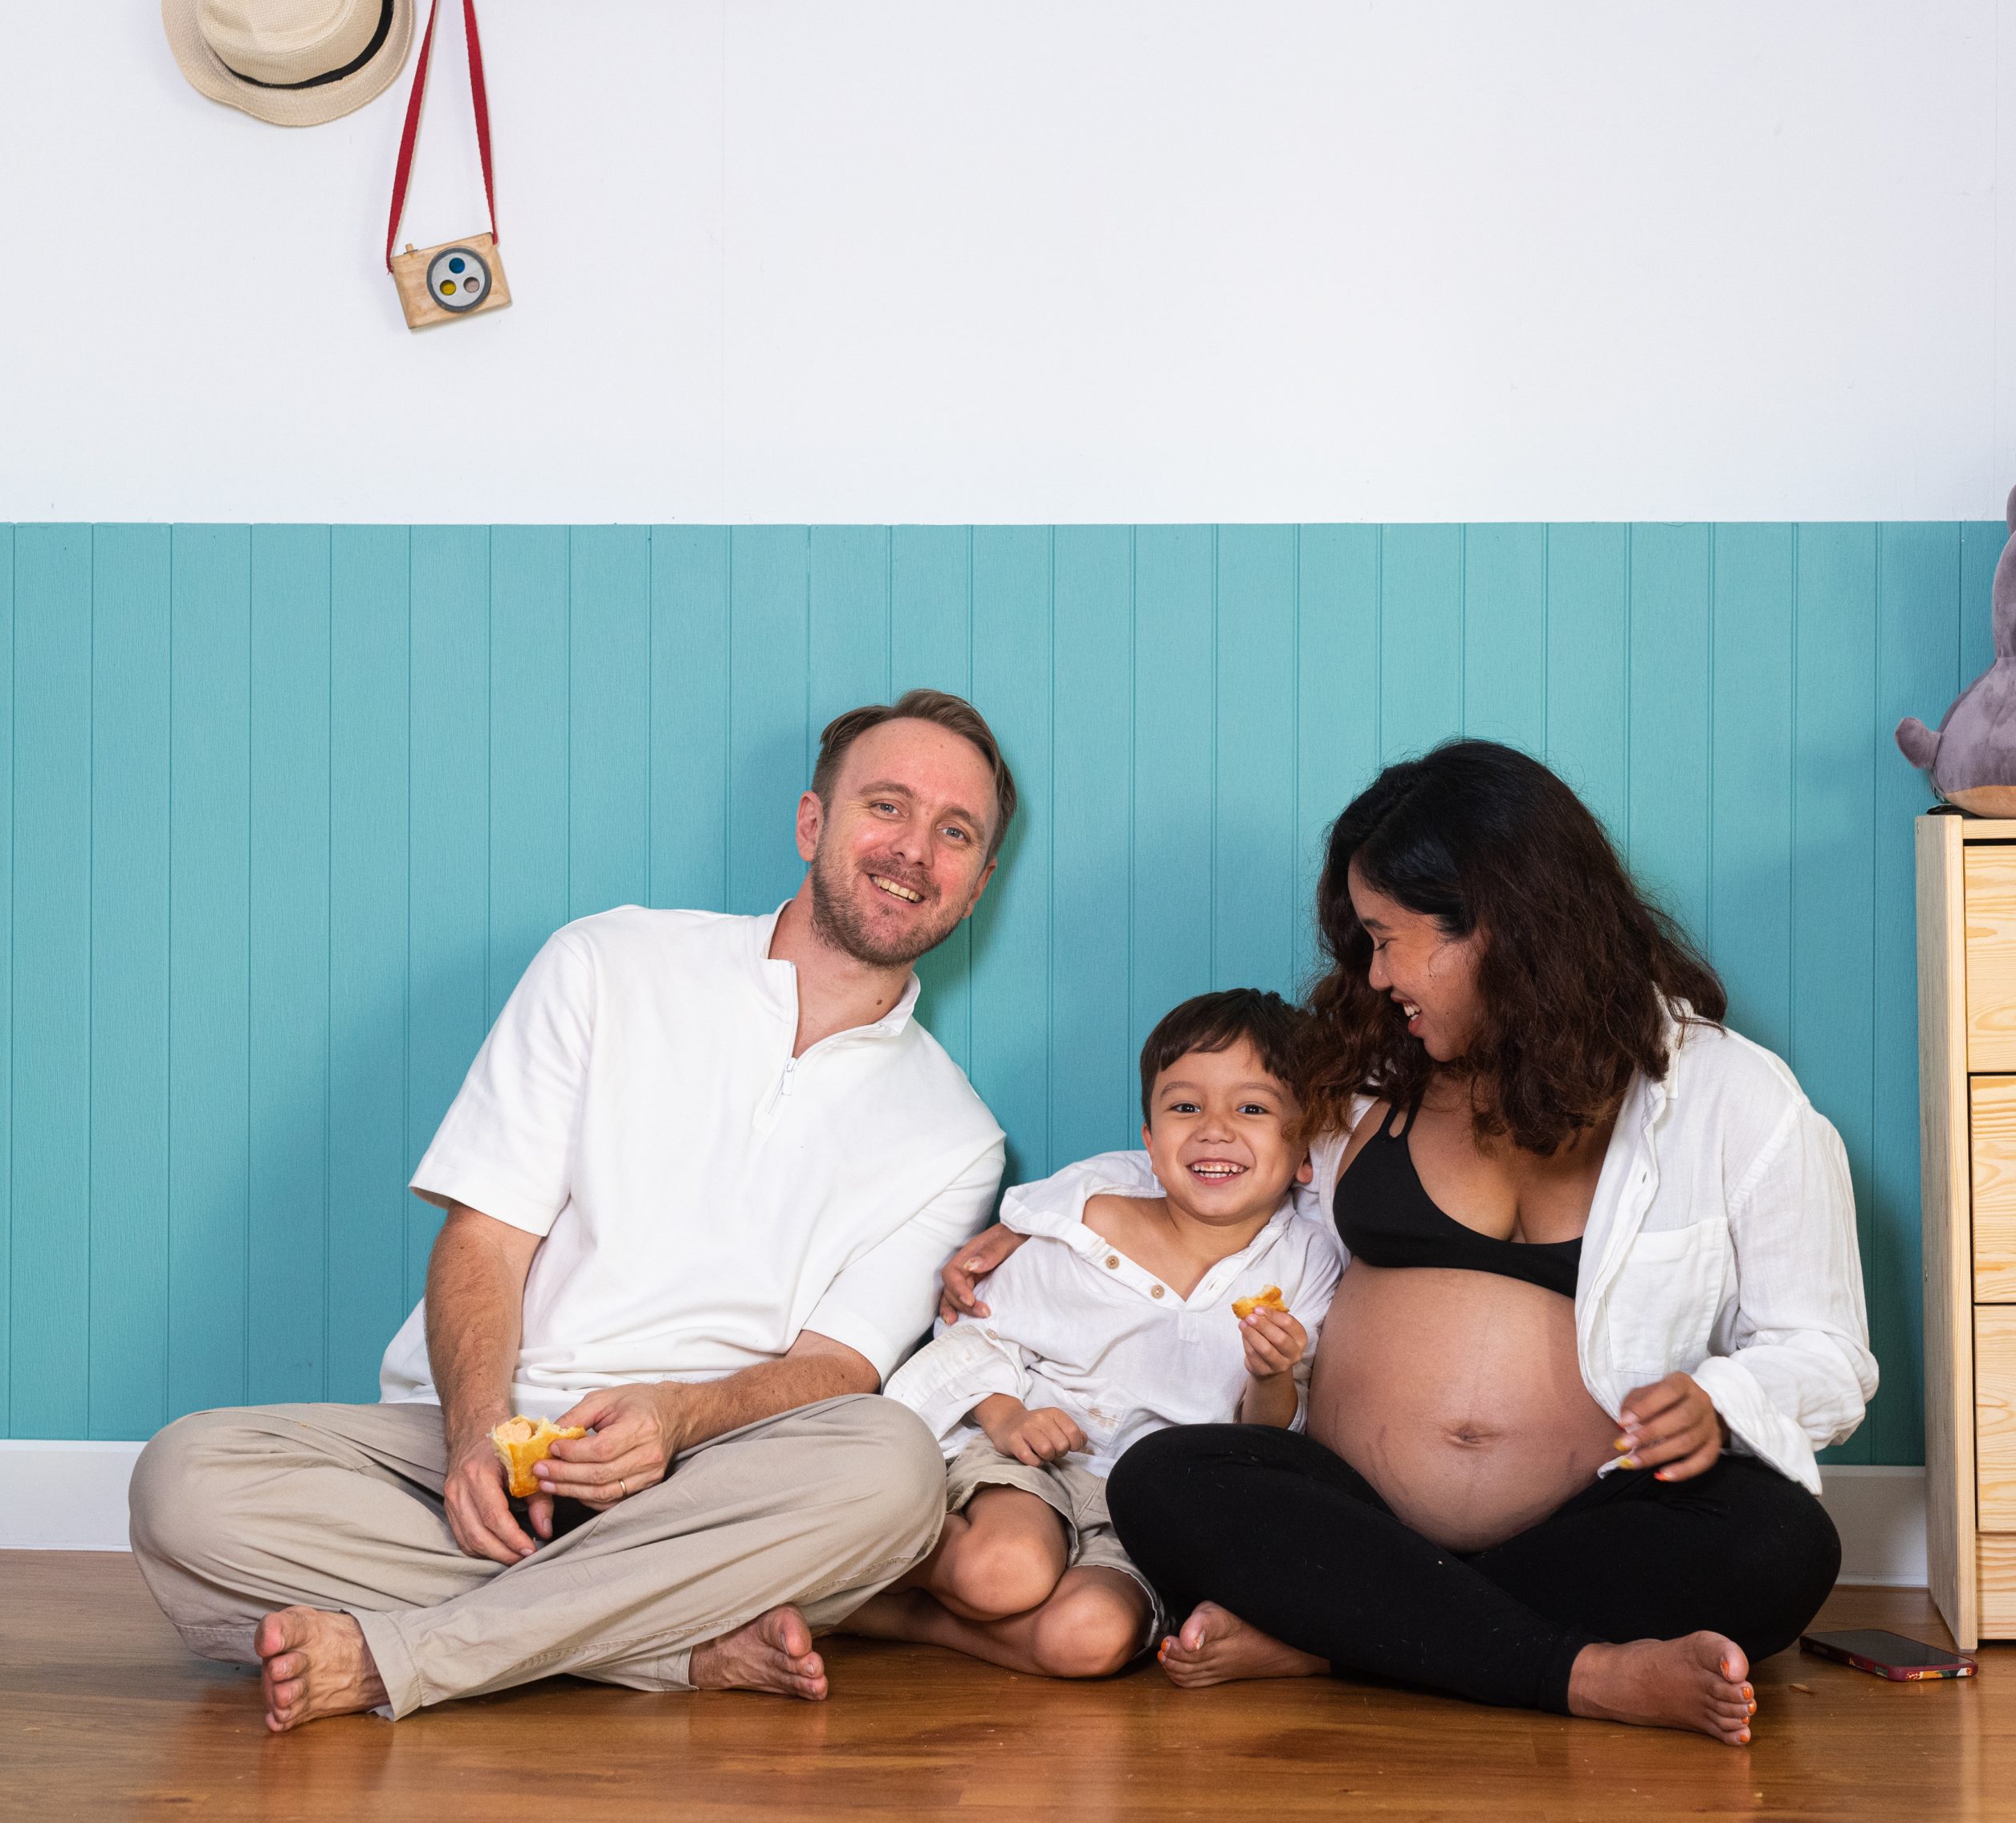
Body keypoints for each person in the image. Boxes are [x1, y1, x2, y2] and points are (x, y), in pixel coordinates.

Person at [942, 740, 1875, 1745]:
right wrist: (1037, 1223)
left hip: (1589, 1515)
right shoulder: (1367, 1077)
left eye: (1390, 938)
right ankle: (1583, 1673)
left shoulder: (1729, 1096)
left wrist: (1721, 1400)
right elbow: (1221, 1153)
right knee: (1165, 1478)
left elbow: (1828, 1357)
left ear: (1498, 923)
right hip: (1352, 1511)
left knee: (1781, 1545)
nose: (1376, 973)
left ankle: (1346, 1636)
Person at [130, 690, 1016, 1730]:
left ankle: (407, 1657)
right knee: (182, 1484)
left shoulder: (960, 1137)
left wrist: (678, 1416)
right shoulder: (608, 962)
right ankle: (667, 1650)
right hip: (478, 1442)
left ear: (978, 884)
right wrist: (474, 1437)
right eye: (888, 807)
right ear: (813, 824)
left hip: (707, 1481)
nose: (914, 849)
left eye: (954, 833)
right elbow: (485, 1241)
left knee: (894, 1470)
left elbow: (838, 1370)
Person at [853, 990, 1336, 1679]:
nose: (1214, 1130)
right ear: (1148, 1139)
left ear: (1304, 1150)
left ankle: (888, 1616)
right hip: (1028, 1470)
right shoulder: (1081, 1229)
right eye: (1184, 1107)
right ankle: (841, 1562)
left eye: (1252, 1108)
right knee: (1006, 1574)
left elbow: (1268, 1438)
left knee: (1088, 1639)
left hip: (1142, 1517)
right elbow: (972, 1339)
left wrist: (1271, 1375)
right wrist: (1010, 1416)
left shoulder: (1307, 1264)